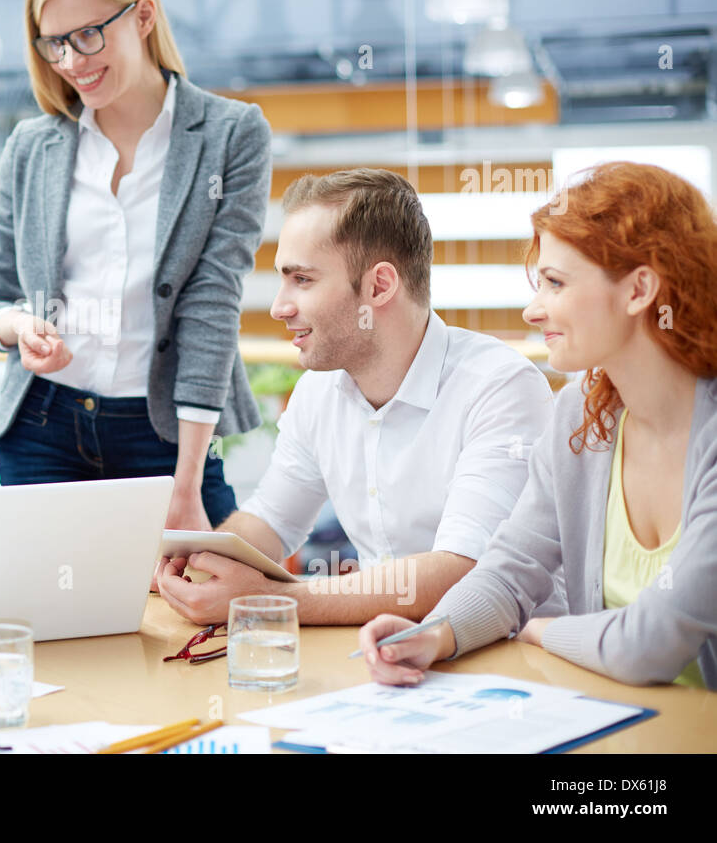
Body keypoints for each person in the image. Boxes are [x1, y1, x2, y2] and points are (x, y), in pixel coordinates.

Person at [359, 162, 717, 689]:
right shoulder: (580, 417)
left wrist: (539, 632)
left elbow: (648, 643)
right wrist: (434, 633)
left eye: (555, 283)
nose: (533, 310)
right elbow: (512, 568)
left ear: (640, 289)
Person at [0, 0, 272, 530]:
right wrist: (20, 325)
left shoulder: (230, 134)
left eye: (87, 35)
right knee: (54, 614)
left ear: (144, 16)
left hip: (163, 434)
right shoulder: (33, 147)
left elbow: (213, 302)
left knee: (201, 605)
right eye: (55, 43)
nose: (73, 62)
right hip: (41, 428)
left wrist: (186, 485)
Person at [157, 168, 558, 625]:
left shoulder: (500, 387)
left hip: (510, 662)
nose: (279, 307)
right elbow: (269, 522)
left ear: (379, 286)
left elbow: (463, 572)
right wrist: (195, 564)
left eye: (302, 280)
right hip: (389, 654)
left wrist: (270, 600)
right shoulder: (318, 392)